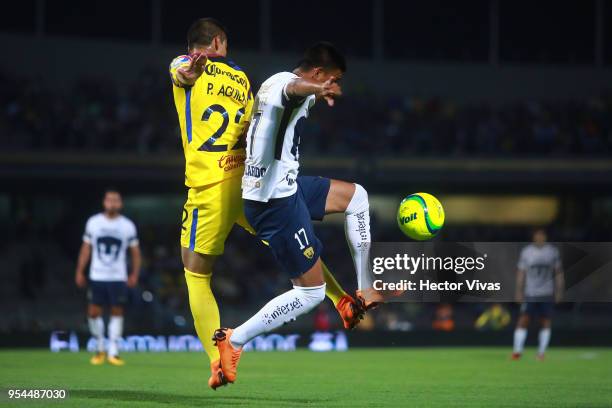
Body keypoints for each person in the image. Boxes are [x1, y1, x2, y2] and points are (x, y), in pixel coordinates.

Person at [169, 21, 364, 389]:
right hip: (246, 183)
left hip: (208, 187)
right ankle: (341, 299)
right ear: (218, 41)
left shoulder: (187, 62)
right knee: (296, 234)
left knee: (196, 275)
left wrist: (186, 73)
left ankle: (218, 360)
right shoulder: (242, 79)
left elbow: (181, 72)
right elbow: (252, 125)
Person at [213, 42, 374, 384]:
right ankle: (234, 339)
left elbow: (296, 93)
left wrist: (318, 93)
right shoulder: (289, 86)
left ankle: (362, 290)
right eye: (334, 78)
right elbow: (295, 89)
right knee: (311, 293)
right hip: (274, 204)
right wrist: (319, 89)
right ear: (318, 73)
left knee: (357, 197)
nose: (335, 85)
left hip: (287, 186)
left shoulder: (272, 81)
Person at [75, 189, 141, 366]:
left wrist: (134, 273)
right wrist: (80, 270)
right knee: (93, 312)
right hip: (97, 275)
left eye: (116, 200)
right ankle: (99, 346)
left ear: (121, 203)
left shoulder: (127, 225)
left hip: (118, 276)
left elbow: (135, 252)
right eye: (109, 200)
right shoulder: (94, 222)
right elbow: (86, 248)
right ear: (104, 202)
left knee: (117, 311)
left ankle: (114, 351)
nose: (112, 203)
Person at [512, 228, 564, 360]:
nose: (539, 238)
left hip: (546, 292)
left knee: (545, 321)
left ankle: (541, 353)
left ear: (545, 237)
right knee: (523, 320)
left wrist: (559, 290)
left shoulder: (552, 252)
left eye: (542, 235)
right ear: (533, 237)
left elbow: (558, 273)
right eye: (537, 235)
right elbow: (521, 273)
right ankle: (517, 352)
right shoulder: (527, 252)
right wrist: (518, 291)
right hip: (530, 293)